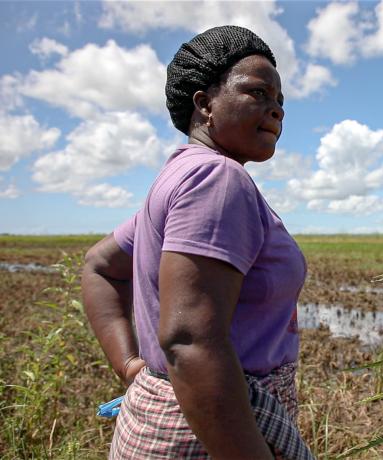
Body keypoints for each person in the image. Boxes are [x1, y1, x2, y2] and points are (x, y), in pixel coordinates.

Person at [82, 25, 313, 460]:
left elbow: (99, 263)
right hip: (213, 429)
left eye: (280, 101)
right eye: (258, 93)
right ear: (205, 104)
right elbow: (190, 343)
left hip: (170, 418)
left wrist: (133, 367)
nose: (277, 110)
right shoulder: (217, 179)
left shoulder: (182, 178)